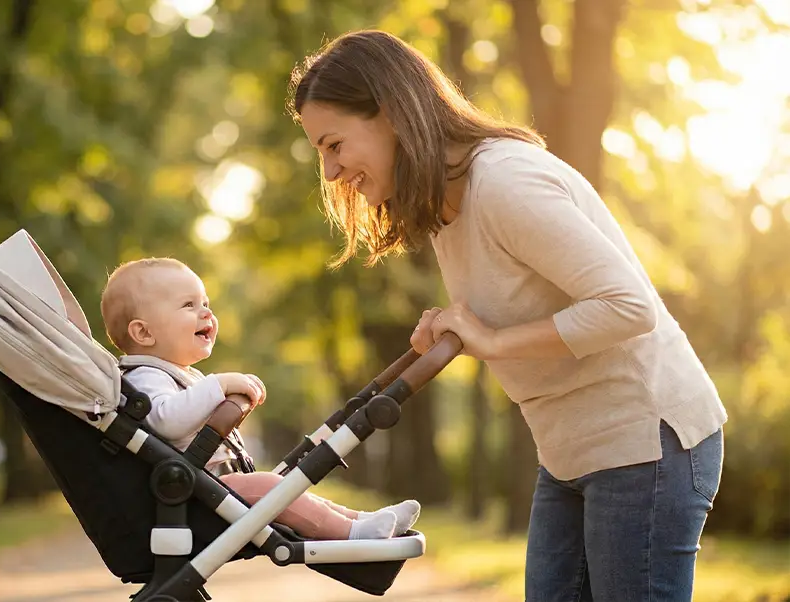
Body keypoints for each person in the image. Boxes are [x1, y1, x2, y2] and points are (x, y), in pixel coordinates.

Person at [288, 29, 727, 601]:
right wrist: (458, 328)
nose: (329, 171)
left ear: (391, 114)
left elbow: (628, 306)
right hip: (569, 447)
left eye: (333, 144)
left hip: (645, 441)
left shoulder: (503, 182)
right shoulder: (446, 204)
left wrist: (489, 340)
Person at [99, 257, 421, 541]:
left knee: (287, 489)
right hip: (190, 497)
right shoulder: (144, 377)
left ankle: (360, 520)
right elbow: (166, 421)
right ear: (143, 333)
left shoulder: (175, 374)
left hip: (205, 488)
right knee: (270, 488)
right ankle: (351, 532)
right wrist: (219, 386)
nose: (206, 313)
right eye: (188, 306)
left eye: (205, 303)